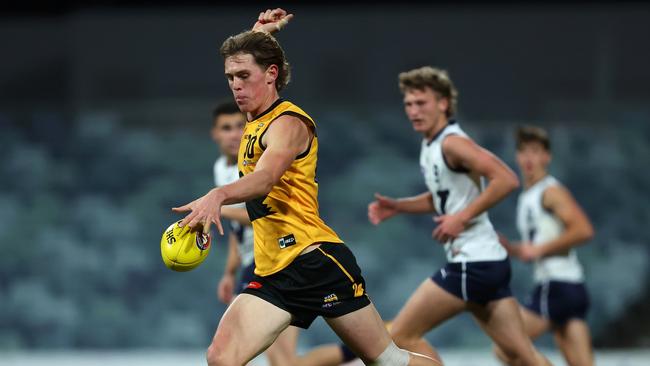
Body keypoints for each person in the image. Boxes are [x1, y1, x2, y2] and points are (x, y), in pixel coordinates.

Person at [174, 8, 438, 366]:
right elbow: (258, 60)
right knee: (221, 357)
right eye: (230, 77)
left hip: (314, 260)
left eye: (242, 76)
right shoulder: (256, 115)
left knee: (386, 360)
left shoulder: (289, 124)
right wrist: (260, 33)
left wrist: (218, 195)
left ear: (271, 76)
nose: (235, 85)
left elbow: (265, 179)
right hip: (272, 272)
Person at [368, 66, 550, 366]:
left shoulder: (453, 143)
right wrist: (399, 206)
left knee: (400, 335)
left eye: (421, 103)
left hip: (472, 264)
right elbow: (443, 198)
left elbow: (506, 179)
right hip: (489, 263)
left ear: (443, 103)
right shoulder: (433, 144)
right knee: (522, 355)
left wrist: (462, 218)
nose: (413, 111)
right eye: (409, 104)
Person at [210, 101, 356, 366]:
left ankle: (381, 341)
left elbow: (257, 214)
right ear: (215, 134)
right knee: (276, 362)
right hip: (253, 264)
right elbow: (238, 231)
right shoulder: (221, 169)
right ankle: (376, 345)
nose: (233, 134)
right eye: (225, 128)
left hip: (281, 258)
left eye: (238, 127)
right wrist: (229, 271)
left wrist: (217, 207)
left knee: (283, 363)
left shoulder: (257, 163)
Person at [494, 126, 594, 366]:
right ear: (517, 156)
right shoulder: (528, 196)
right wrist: (512, 249)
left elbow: (584, 230)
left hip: (556, 286)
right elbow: (536, 245)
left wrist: (538, 250)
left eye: (535, 151)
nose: (529, 158)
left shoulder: (550, 192)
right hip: (572, 287)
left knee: (505, 347)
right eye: (524, 152)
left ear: (546, 157)